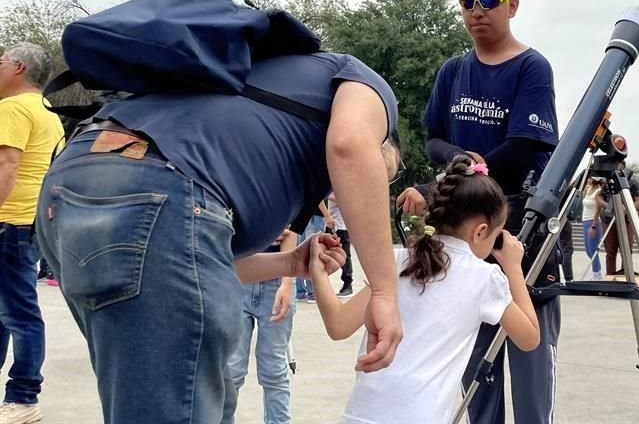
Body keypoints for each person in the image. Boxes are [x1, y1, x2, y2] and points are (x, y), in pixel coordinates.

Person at [35, 51, 404, 424]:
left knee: (178, 400)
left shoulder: (245, 111)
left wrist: (286, 263)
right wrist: (384, 291)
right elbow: (349, 146)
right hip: (154, 184)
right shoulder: (362, 81)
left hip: (72, 178)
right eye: (377, 174)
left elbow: (183, 262)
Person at [404, 0, 560, 424]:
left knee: (530, 365)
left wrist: (470, 168)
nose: (476, 11)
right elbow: (431, 137)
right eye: (468, 0)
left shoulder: (532, 67)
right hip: (463, 239)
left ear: (512, 5)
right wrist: (460, 163)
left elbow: (527, 144)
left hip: (521, 232)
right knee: (476, 377)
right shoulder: (453, 71)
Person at [312, 156, 540, 423]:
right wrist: (513, 267)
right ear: (480, 232)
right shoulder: (484, 277)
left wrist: (316, 272)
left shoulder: (397, 261)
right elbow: (530, 337)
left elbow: (338, 325)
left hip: (361, 414)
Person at [0, 43, 64, 424]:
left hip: (7, 222)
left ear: (19, 67)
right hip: (28, 222)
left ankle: (23, 397)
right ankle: (18, 398)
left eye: (1, 60)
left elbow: (7, 165)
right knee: (8, 312)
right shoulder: (48, 111)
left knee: (20, 314)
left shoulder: (11, 108)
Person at [224, 229, 298, 424]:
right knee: (231, 370)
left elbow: (290, 233)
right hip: (237, 278)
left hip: (276, 282)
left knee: (273, 369)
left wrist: (287, 283)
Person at [596, 163, 639, 276]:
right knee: (610, 251)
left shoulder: (632, 182)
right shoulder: (608, 181)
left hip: (626, 220)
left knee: (626, 250)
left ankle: (626, 275)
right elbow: (598, 197)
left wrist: (625, 209)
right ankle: (610, 276)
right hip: (608, 220)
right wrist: (608, 206)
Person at [325, 192, 354, 296]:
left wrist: (325, 194)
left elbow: (343, 199)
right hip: (331, 223)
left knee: (345, 255)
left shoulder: (341, 185)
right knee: (325, 254)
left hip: (341, 226)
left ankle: (348, 284)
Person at [581, 177, 605, 281]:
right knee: (588, 251)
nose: (587, 179)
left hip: (593, 222)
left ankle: (597, 275)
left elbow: (597, 210)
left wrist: (594, 226)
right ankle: (597, 272)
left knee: (593, 251)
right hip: (585, 221)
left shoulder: (598, 192)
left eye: (590, 178)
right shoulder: (588, 188)